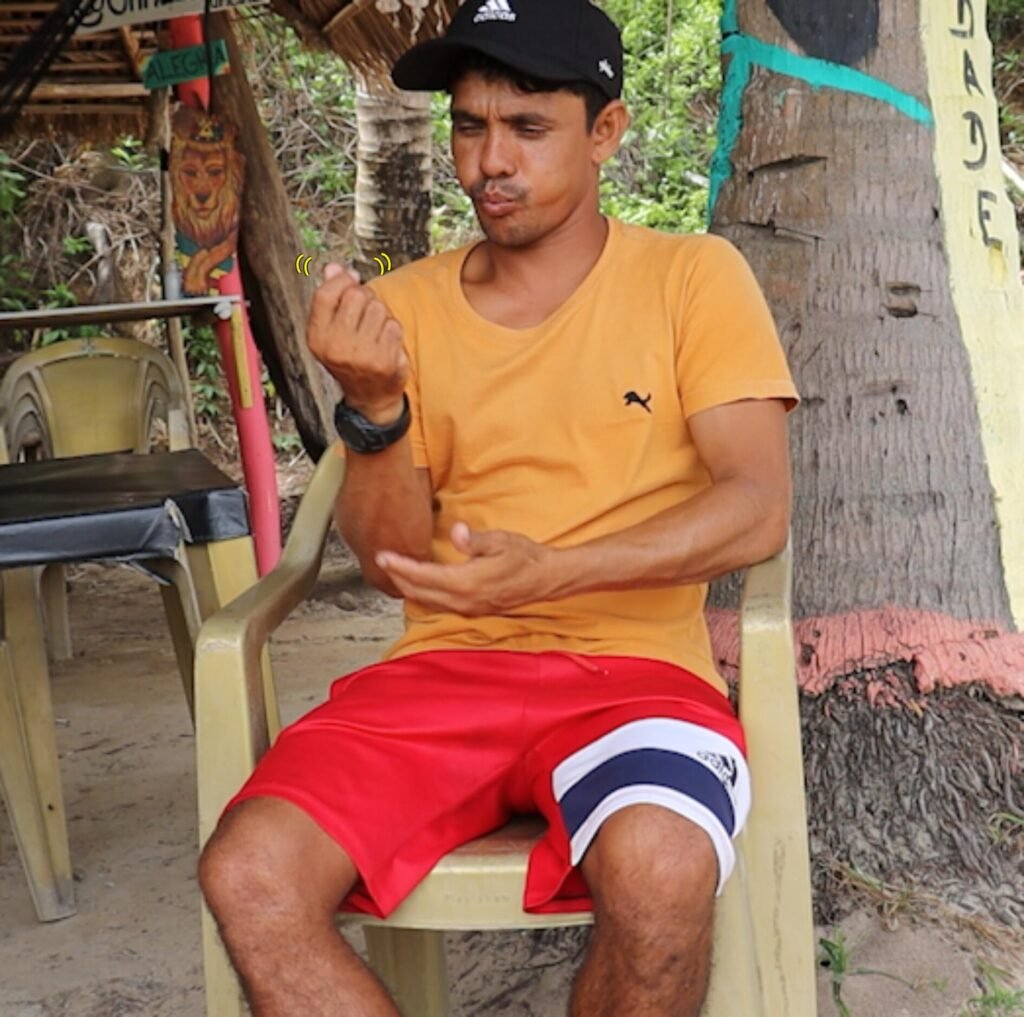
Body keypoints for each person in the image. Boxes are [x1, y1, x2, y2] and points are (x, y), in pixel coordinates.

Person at [198, 1, 799, 1014]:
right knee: (249, 873)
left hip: (635, 679)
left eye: (527, 127)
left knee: (661, 864)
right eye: (470, 126)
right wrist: (375, 408)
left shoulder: (692, 278)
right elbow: (391, 563)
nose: (490, 162)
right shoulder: (405, 308)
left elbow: (755, 507)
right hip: (442, 678)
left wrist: (557, 571)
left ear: (605, 131)